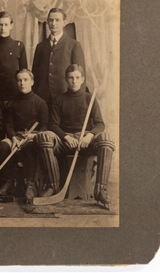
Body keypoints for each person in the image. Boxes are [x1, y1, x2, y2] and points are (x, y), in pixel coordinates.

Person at [36, 64, 115, 208]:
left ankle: (100, 191)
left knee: (106, 138)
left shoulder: (89, 98)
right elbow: (53, 125)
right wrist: (66, 137)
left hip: (85, 142)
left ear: (82, 79)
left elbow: (100, 124)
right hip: (65, 141)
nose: (74, 80)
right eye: (71, 77)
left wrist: (89, 136)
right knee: (44, 137)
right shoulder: (58, 99)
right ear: (66, 79)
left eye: (77, 77)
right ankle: (52, 186)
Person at [0, 11, 28, 187]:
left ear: (11, 25)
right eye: (0, 24)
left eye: (6, 24)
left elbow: (24, 73)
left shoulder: (19, 46)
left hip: (15, 98)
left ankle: (18, 177)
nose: (3, 27)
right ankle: (4, 176)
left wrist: (22, 98)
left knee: (14, 135)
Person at [0, 69, 48, 202]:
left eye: (25, 80)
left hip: (33, 137)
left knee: (30, 147)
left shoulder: (40, 103)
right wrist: (13, 138)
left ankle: (29, 184)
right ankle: (8, 181)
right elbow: (9, 126)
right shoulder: (11, 103)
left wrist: (32, 137)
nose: (22, 83)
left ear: (32, 82)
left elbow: (45, 126)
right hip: (16, 137)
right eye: (19, 80)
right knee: (2, 146)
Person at [31, 8, 86, 105]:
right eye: (51, 20)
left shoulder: (73, 45)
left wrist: (78, 100)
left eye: (57, 20)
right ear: (47, 22)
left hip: (65, 98)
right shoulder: (40, 46)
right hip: (43, 99)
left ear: (64, 22)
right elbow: (34, 75)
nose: (53, 23)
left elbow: (80, 76)